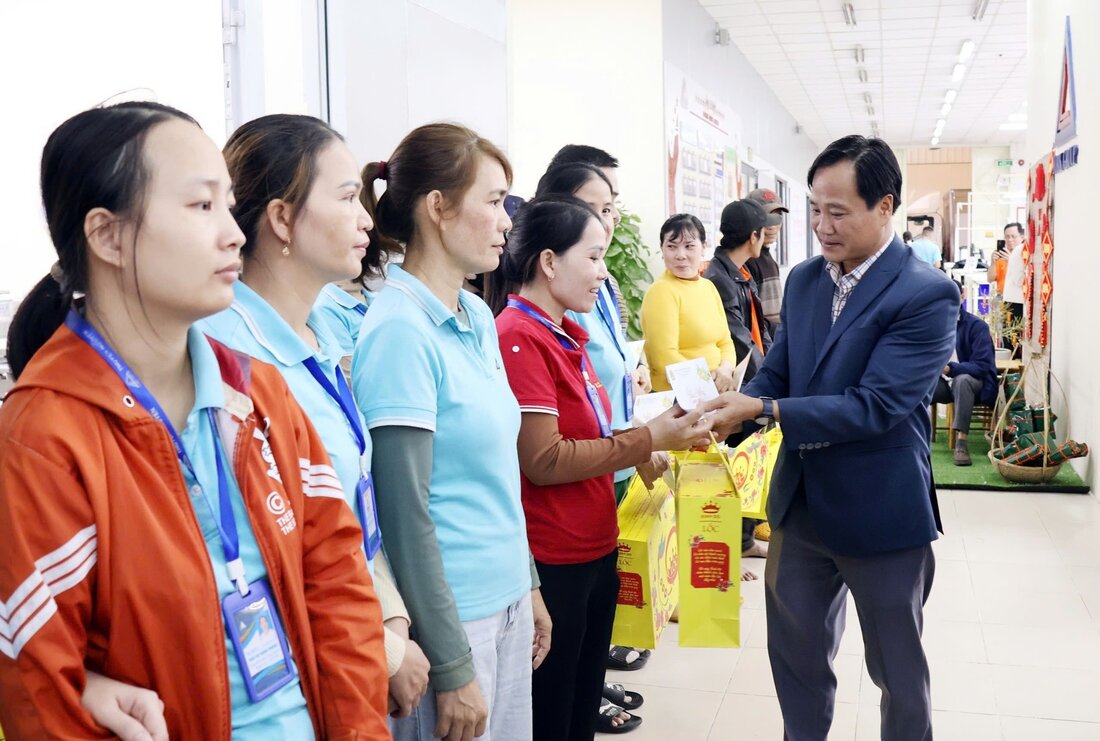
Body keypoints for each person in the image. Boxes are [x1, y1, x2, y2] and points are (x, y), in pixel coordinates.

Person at [0, 102, 389, 739]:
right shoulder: (47, 436)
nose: (233, 232)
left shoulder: (258, 391)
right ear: (107, 236)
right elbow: (41, 688)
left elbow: (337, 582)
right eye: (200, 206)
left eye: (227, 203)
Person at [703, 135, 957, 740]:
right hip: (802, 506)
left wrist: (763, 406)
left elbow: (877, 406)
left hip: (882, 509)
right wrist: (731, 409)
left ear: (884, 205)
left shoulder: (926, 294)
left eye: (837, 211)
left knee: (897, 671)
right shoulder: (806, 280)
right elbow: (781, 368)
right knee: (796, 659)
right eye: (816, 208)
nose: (821, 225)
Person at [197, 114, 430, 720]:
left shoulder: (324, 329)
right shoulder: (227, 356)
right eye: (349, 197)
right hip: (291, 671)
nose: (366, 219)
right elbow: (264, 544)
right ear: (281, 218)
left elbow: (347, 505)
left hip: (358, 636)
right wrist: (383, 647)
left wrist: (392, 621)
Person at [353, 123, 551, 741]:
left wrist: (529, 583)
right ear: (437, 208)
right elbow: (405, 517)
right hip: (455, 620)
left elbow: (494, 474)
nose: (505, 221)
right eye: (493, 202)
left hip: (507, 602)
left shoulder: (473, 315)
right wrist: (451, 662)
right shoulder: (399, 332)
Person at [493, 195, 710, 740]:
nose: (602, 274)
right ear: (548, 261)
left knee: (581, 696)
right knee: (556, 708)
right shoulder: (519, 337)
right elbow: (543, 460)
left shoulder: (565, 332)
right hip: (556, 552)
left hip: (591, 541)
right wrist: (644, 440)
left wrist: (651, 437)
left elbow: (584, 433)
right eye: (593, 257)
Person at [641, 215, 737, 393]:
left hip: (715, 390)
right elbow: (664, 357)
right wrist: (710, 382)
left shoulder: (708, 287)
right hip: (679, 397)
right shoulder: (662, 291)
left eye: (689, 246)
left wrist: (726, 369)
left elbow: (725, 342)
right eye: (671, 247)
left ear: (703, 248)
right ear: (662, 250)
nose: (680, 255)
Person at [705, 199, 780, 385]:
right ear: (754, 236)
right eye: (763, 232)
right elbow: (741, 341)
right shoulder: (719, 280)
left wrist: (775, 370)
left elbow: (761, 332)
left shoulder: (742, 272)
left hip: (752, 377)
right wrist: (768, 380)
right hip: (740, 384)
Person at [933, 282, 998, 466]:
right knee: (916, 383)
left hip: (976, 383)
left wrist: (950, 369)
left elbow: (982, 366)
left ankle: (961, 444)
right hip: (944, 383)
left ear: (962, 295)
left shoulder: (977, 326)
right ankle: (909, 438)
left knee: (962, 381)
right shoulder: (934, 324)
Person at [743, 187, 789, 331]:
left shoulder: (769, 259)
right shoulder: (747, 260)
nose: (773, 225)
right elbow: (748, 319)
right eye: (766, 217)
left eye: (778, 216)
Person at [987, 222, 1026, 345]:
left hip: (1017, 300)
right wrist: (993, 262)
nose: (1009, 240)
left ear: (1022, 237)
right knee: (1002, 332)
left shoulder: (1023, 254)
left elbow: (1023, 278)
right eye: (1006, 236)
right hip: (1001, 297)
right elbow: (990, 278)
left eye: (1013, 236)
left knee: (1016, 332)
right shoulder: (1000, 255)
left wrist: (1011, 261)